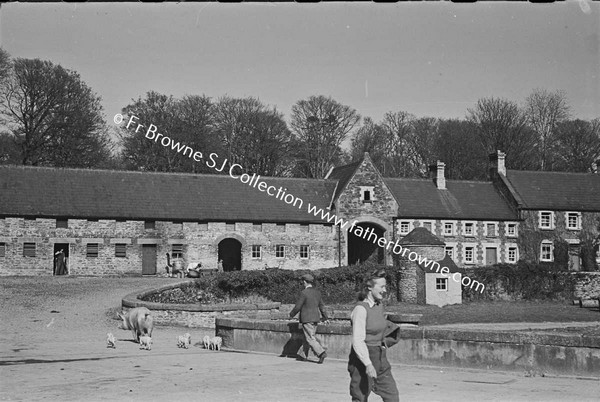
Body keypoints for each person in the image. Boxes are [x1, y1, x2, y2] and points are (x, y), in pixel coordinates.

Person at [348, 269, 399, 402]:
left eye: (385, 286)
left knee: (392, 396)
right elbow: (358, 340)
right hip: (363, 359)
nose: (384, 290)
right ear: (369, 287)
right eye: (381, 286)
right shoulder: (360, 309)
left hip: (380, 356)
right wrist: (368, 364)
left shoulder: (379, 305)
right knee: (360, 396)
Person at [289, 273, 329, 364]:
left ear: (305, 282)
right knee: (308, 337)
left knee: (310, 338)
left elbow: (298, 306)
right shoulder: (317, 292)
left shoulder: (304, 293)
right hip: (315, 318)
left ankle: (321, 353)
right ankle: (302, 355)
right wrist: (325, 317)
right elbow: (322, 306)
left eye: (303, 282)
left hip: (307, 318)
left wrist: (291, 314)